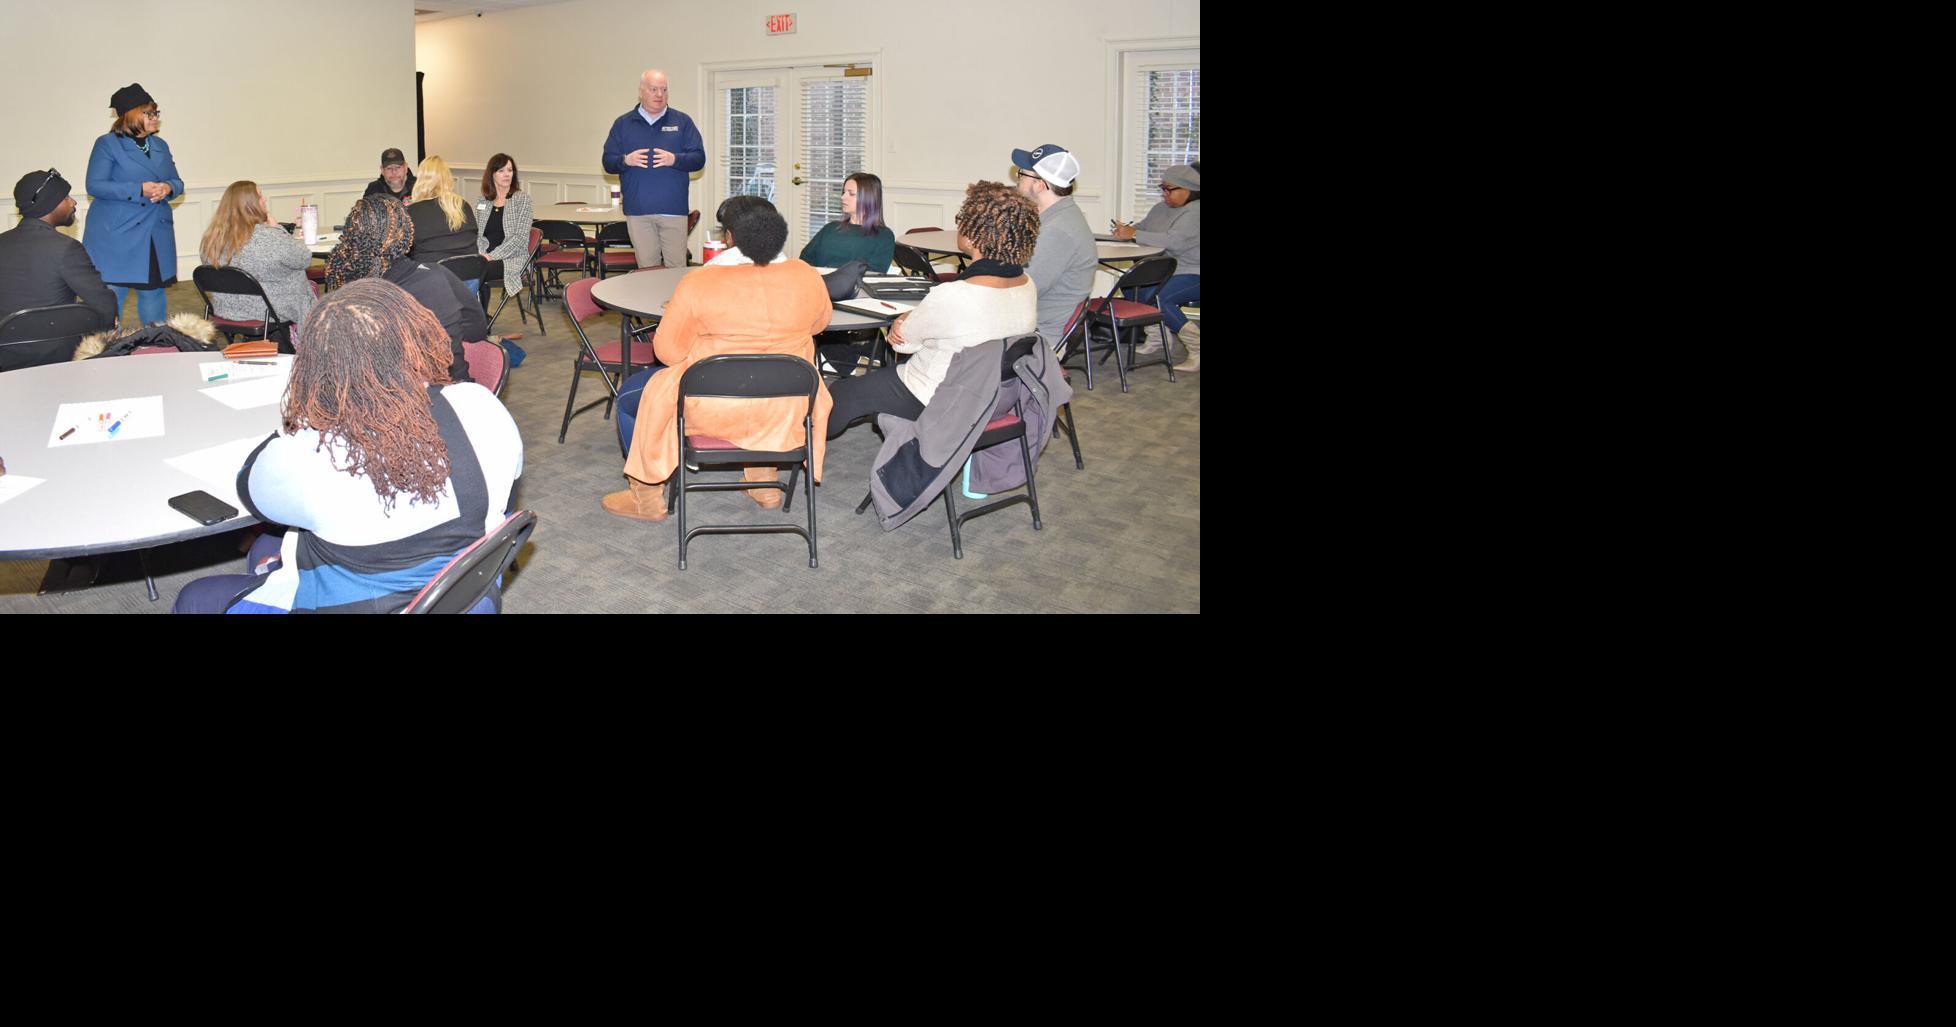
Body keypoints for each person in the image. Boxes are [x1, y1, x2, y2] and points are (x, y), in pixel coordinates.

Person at [171, 279, 522, 614]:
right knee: (267, 547)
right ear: (414, 339)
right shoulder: (481, 405)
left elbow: (250, 487)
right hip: (465, 597)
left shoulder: (312, 456)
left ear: (316, 366)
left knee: (195, 596)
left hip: (362, 603)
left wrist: (298, 421)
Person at [600, 198, 833, 521]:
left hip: (714, 406)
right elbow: (819, 324)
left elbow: (667, 352)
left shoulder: (700, 282)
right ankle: (764, 484)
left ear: (729, 237)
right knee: (760, 380)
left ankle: (647, 498)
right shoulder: (806, 275)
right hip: (789, 406)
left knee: (631, 397)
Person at [826, 181, 1038, 440]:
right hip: (992, 392)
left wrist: (904, 319)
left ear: (973, 236)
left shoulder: (955, 294)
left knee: (842, 393)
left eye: (962, 220)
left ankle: (801, 442)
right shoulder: (1027, 285)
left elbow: (904, 344)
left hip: (934, 392)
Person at [326, 194, 483, 382]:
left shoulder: (347, 293)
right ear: (407, 235)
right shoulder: (435, 277)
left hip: (375, 393)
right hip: (445, 388)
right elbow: (477, 329)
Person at [83, 84, 181, 327]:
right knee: (113, 294)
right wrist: (138, 189)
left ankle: (157, 341)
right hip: (118, 233)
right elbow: (95, 185)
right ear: (131, 115)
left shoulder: (160, 145)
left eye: (156, 113)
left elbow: (177, 181)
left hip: (154, 232)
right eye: (149, 113)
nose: (155, 118)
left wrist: (168, 188)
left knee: (153, 292)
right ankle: (107, 343)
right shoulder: (107, 144)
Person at [601, 68, 705, 271]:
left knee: (676, 270)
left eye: (664, 90)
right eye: (654, 89)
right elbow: (608, 162)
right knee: (647, 271)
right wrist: (625, 160)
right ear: (641, 91)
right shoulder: (623, 124)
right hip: (638, 212)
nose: (660, 94)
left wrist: (675, 159)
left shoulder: (682, 122)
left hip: (673, 210)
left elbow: (699, 158)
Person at [198, 181, 317, 340]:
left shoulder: (212, 239)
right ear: (250, 205)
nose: (265, 200)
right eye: (260, 196)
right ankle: (301, 341)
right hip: (269, 309)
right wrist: (277, 230)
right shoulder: (269, 237)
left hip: (226, 308)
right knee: (308, 287)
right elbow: (304, 258)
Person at [1109, 163, 1200, 372]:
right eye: (1162, 188)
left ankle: (1196, 347)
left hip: (1194, 272)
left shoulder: (1196, 211)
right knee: (1131, 286)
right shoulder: (1160, 209)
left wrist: (1134, 234)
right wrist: (1126, 230)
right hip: (1169, 271)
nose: (1164, 193)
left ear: (1189, 189)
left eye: (1170, 189)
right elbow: (1142, 228)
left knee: (1158, 297)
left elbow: (1175, 242)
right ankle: (1159, 337)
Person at [1, 168, 117, 326]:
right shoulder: (67, 249)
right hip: (56, 339)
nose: (73, 202)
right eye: (66, 197)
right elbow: (103, 303)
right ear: (50, 204)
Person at [1010, 143, 1096, 355]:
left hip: (1035, 337)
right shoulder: (1058, 217)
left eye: (1022, 175)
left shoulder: (1057, 231)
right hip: (1026, 324)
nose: (1017, 180)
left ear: (1040, 185)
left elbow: (1019, 290)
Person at [471, 153, 535, 316]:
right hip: (485, 256)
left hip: (512, 258)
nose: (507, 174)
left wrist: (492, 256)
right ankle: (476, 316)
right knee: (463, 266)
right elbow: (477, 234)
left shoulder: (522, 200)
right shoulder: (483, 201)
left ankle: (479, 319)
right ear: (491, 174)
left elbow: (520, 239)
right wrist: (481, 253)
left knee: (476, 270)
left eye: (510, 170)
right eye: (501, 170)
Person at [799, 172, 895, 272]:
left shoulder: (884, 236)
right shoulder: (830, 228)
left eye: (851, 194)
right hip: (819, 280)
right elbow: (805, 259)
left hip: (854, 282)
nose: (843, 197)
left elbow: (874, 273)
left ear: (868, 198)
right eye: (844, 192)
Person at [405, 155, 476, 267]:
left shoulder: (412, 212)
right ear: (447, 178)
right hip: (469, 273)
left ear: (420, 180)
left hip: (430, 275)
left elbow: (404, 251)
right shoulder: (463, 206)